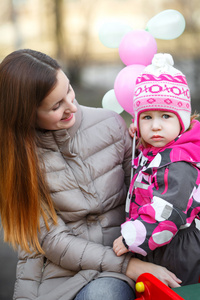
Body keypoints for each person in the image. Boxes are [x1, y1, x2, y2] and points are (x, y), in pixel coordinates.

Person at [0, 49, 181, 300]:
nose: (71, 106)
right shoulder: (18, 161)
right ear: (26, 115)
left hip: (118, 261)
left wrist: (149, 145)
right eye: (56, 106)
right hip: (58, 273)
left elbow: (148, 191)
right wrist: (130, 267)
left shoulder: (110, 124)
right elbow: (52, 240)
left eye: (69, 90)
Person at [113, 53, 200, 286]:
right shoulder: (158, 148)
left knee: (172, 291)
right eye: (147, 117)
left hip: (176, 245)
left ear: (182, 120)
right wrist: (138, 138)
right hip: (155, 240)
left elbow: (168, 209)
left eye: (165, 116)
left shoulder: (181, 162)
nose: (156, 126)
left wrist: (133, 238)